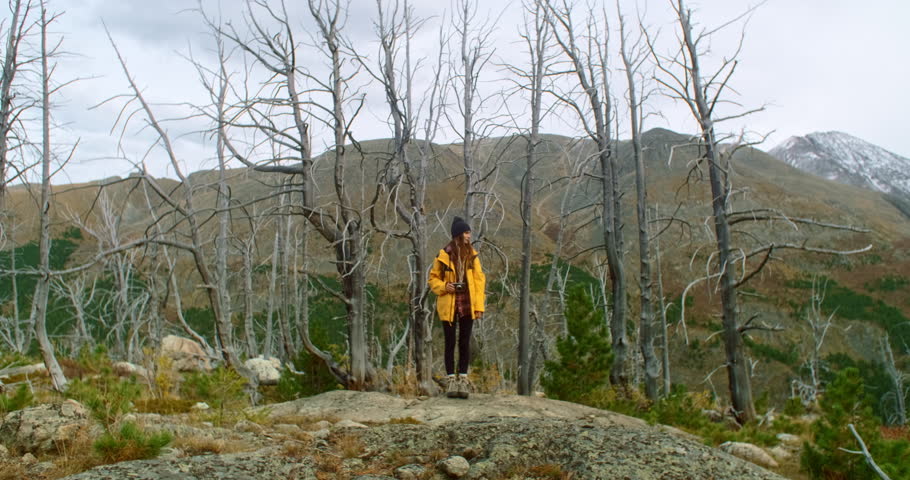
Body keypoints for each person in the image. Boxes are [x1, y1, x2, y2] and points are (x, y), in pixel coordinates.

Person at [428, 216, 485, 399]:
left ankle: (463, 380)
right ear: (459, 235)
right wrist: (445, 287)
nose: (469, 236)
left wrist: (479, 306)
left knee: (465, 342)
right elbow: (433, 279)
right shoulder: (443, 255)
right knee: (450, 342)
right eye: (467, 233)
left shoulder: (472, 255)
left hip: (468, 304)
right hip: (449, 304)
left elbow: (479, 281)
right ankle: (451, 380)